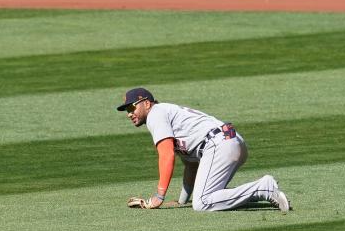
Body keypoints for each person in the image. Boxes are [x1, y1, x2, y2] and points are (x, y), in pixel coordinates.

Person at [116, 87, 290, 212]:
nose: (129, 113)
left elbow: (167, 155)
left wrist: (158, 197)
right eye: (126, 110)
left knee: (202, 203)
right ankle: (263, 190)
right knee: (212, 197)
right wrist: (181, 201)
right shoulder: (170, 115)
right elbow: (191, 165)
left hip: (218, 145)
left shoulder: (156, 113)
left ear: (146, 104)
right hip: (231, 141)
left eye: (132, 107)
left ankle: (263, 188)